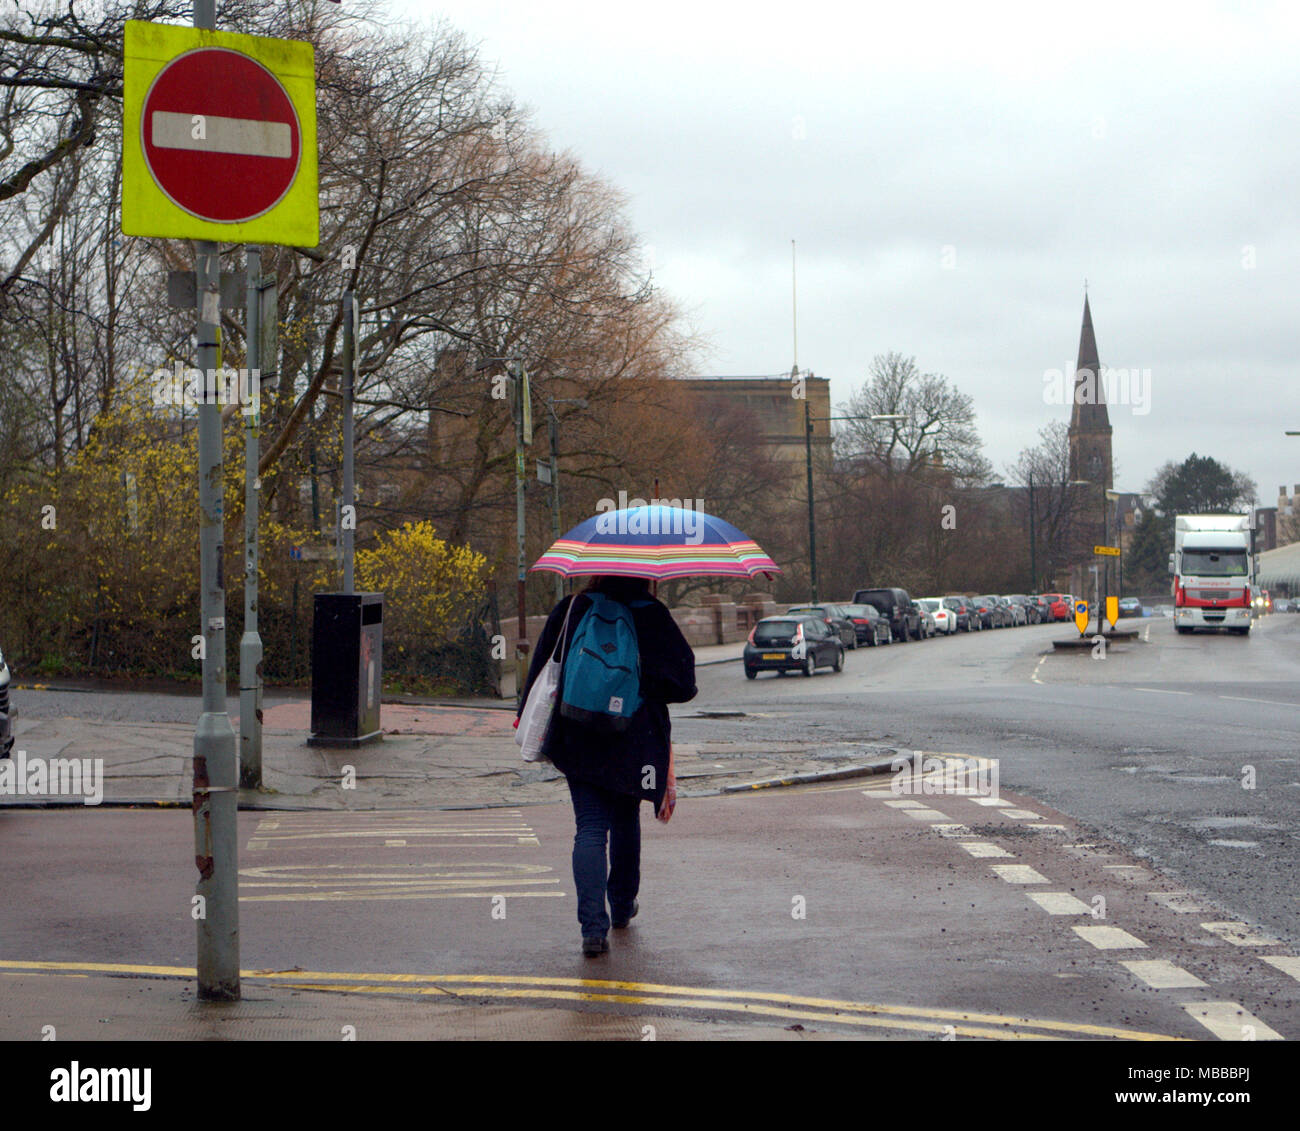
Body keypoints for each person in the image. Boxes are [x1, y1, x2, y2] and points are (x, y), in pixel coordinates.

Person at [518, 574, 696, 956]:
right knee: (626, 818)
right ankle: (621, 905)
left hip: (577, 731)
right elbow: (684, 684)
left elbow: (541, 670)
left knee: (590, 828)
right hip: (634, 735)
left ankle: (592, 929)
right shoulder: (652, 614)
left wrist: (526, 720)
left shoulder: (572, 609)